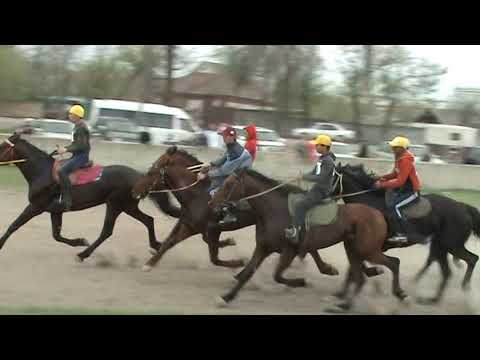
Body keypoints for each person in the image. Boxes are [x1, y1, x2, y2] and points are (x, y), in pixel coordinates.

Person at [285, 134, 337, 245]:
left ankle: (295, 231)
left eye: (318, 145)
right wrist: (302, 176)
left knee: (300, 204)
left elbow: (321, 178)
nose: (316, 147)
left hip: (322, 191)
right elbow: (314, 173)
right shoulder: (322, 158)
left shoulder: (328, 161)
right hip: (316, 188)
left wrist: (304, 177)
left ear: (324, 146)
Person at [374, 136, 425, 245]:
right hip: (404, 191)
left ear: (402, 148)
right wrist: (382, 177)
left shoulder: (406, 160)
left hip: (412, 192)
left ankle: (403, 234)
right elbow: (394, 174)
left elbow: (400, 181)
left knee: (395, 206)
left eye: (395, 147)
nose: (392, 149)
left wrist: (382, 184)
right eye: (393, 147)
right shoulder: (399, 158)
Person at [197, 126, 252, 225]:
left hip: (242, 173)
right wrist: (210, 164)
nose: (223, 138)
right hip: (234, 170)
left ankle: (230, 213)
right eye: (223, 136)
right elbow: (224, 158)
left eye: (225, 136)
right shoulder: (231, 146)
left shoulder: (236, 152)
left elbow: (224, 171)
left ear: (232, 137)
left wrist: (207, 175)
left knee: (220, 189)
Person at [54, 104, 91, 211]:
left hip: (81, 157)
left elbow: (81, 145)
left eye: (71, 114)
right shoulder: (78, 126)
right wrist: (63, 148)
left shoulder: (81, 128)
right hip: (77, 155)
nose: (69, 115)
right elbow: (76, 144)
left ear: (77, 115)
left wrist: (65, 149)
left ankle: (67, 199)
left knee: (62, 171)